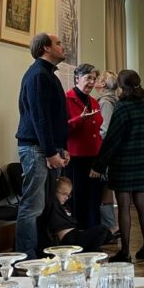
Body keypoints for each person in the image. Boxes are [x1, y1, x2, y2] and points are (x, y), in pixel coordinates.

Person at [91, 70, 144, 263]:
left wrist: (98, 165)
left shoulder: (122, 107)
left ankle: (125, 252)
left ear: (121, 86)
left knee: (123, 206)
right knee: (141, 204)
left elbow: (112, 139)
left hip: (124, 162)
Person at [15, 32, 69, 257]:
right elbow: (40, 117)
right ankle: (25, 257)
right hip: (36, 148)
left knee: (45, 204)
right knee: (32, 206)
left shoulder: (49, 74)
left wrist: (62, 147)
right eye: (58, 43)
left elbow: (58, 116)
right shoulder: (38, 75)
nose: (63, 46)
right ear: (46, 48)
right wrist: (50, 151)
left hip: (47, 148)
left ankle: (41, 249)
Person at [64, 63, 103, 230]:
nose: (91, 82)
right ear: (77, 78)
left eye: (94, 79)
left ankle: (93, 233)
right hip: (75, 157)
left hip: (93, 156)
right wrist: (80, 119)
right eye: (88, 78)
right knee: (77, 197)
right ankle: (79, 233)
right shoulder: (66, 99)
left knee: (94, 197)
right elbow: (61, 128)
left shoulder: (94, 101)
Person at [46, 177, 108, 252]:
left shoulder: (65, 206)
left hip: (75, 234)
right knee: (102, 229)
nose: (66, 198)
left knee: (99, 247)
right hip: (69, 239)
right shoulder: (53, 203)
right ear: (55, 191)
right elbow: (50, 187)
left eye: (68, 195)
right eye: (64, 194)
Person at [95, 70, 119, 239]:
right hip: (112, 153)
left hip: (105, 152)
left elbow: (104, 130)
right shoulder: (113, 100)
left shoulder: (105, 102)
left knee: (104, 190)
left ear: (103, 83)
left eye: (97, 79)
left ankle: (110, 227)